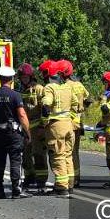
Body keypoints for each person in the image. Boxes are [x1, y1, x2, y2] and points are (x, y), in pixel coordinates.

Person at [0, 66, 32, 199]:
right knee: (15, 161)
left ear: (0, 79)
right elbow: (22, 115)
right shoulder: (15, 95)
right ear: (11, 79)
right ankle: (16, 190)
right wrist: (28, 132)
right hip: (13, 133)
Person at [42, 61, 79, 197]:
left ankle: (61, 187)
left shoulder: (50, 87)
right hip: (69, 125)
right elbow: (76, 104)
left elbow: (47, 101)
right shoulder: (67, 87)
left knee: (57, 155)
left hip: (56, 126)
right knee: (68, 155)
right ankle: (70, 185)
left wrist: (45, 108)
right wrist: (72, 117)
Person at [58, 60, 92, 188]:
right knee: (74, 152)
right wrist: (81, 109)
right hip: (78, 123)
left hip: (67, 122)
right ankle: (76, 178)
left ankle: (68, 179)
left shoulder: (64, 87)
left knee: (66, 152)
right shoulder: (79, 85)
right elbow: (88, 99)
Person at [18, 63, 47, 193]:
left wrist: (42, 126)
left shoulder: (39, 89)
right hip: (26, 128)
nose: (24, 79)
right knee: (26, 155)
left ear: (31, 77)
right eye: (22, 77)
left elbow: (44, 108)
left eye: (26, 77)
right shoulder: (21, 90)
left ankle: (41, 181)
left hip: (38, 128)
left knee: (39, 155)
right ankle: (30, 177)